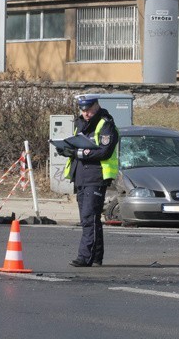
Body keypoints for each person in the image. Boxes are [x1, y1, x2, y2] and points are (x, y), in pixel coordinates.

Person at [56, 94, 119, 267]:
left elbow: (104, 151)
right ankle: (96, 257)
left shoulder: (106, 124)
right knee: (91, 219)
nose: (86, 114)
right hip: (81, 177)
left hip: (95, 176)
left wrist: (80, 153)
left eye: (89, 110)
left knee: (88, 217)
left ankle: (85, 257)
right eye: (83, 110)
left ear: (96, 106)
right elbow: (78, 145)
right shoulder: (80, 123)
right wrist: (67, 149)